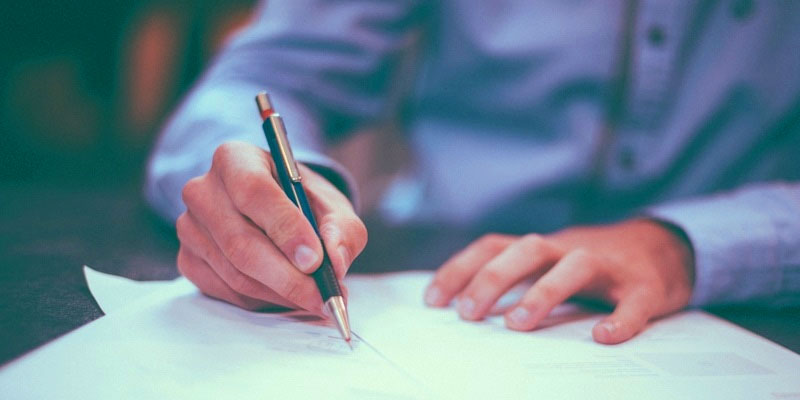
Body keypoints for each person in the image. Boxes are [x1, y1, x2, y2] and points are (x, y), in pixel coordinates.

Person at [145, 1, 800, 345]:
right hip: (436, 279)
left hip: (738, 308)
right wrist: (266, 192)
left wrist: (685, 245)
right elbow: (261, 80)